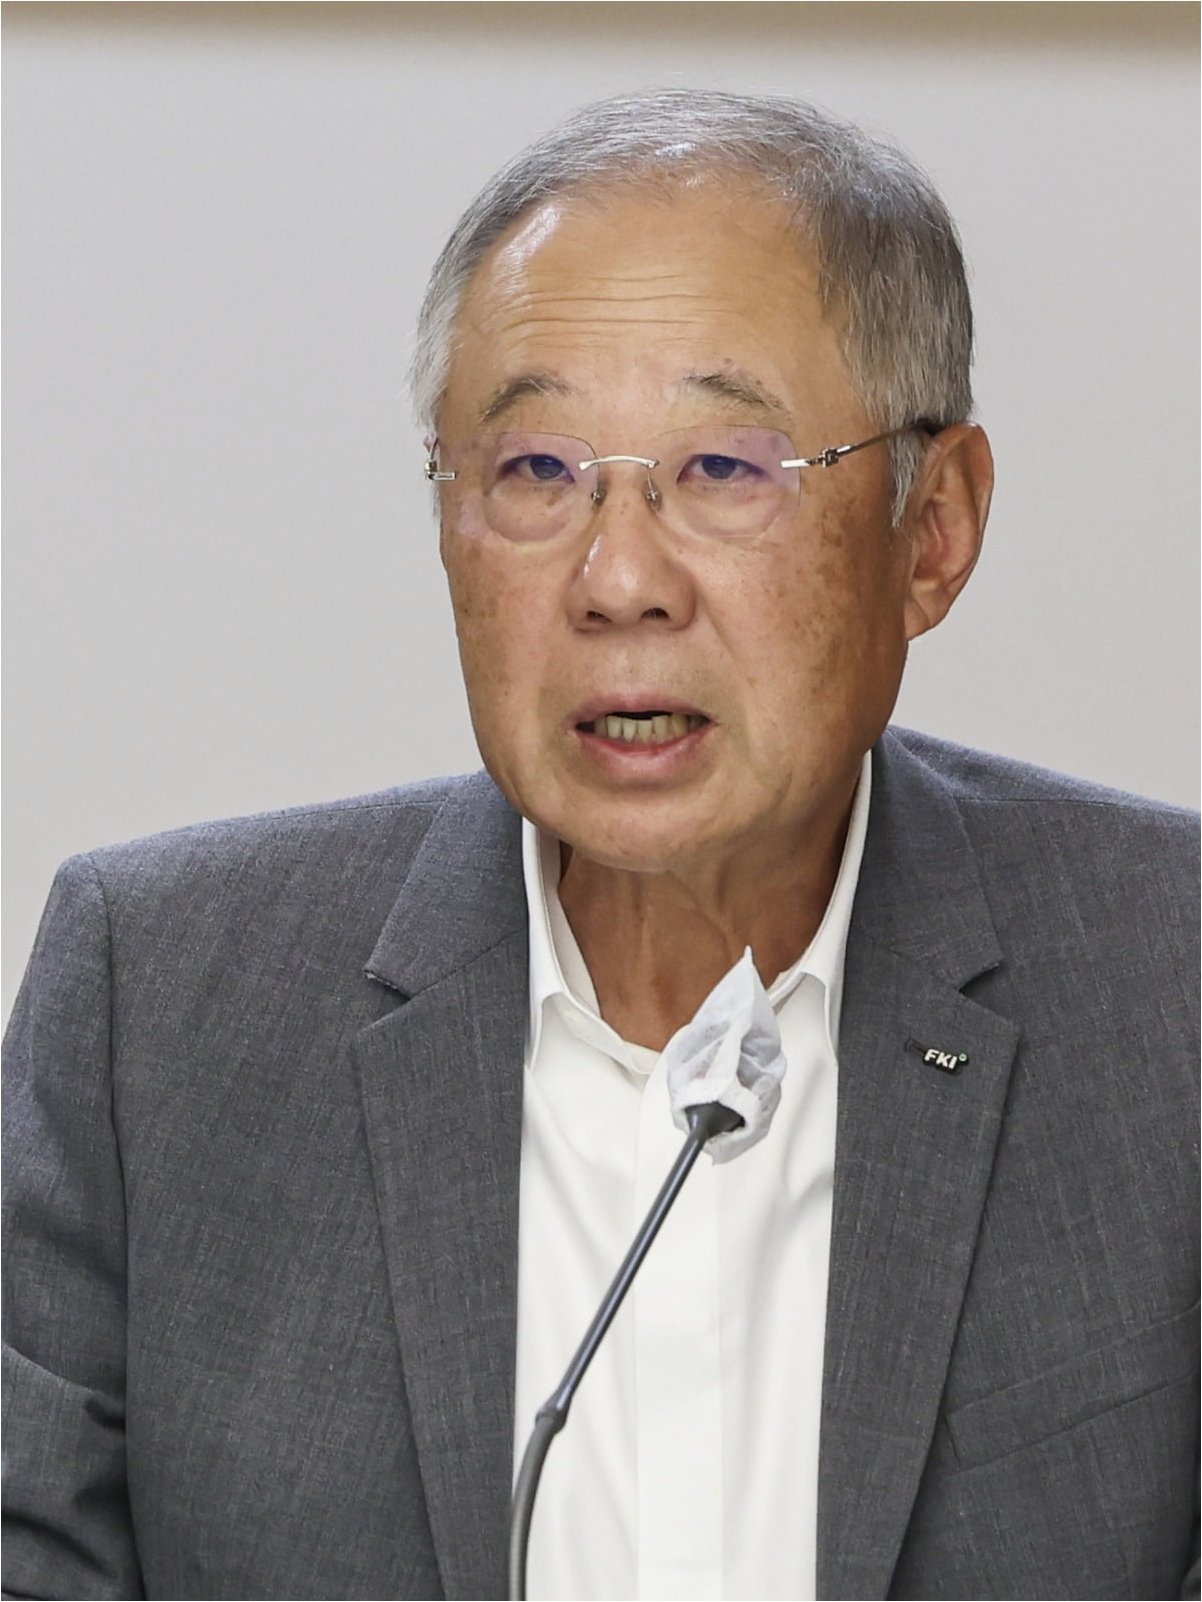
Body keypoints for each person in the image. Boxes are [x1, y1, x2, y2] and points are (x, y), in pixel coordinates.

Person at [3, 88, 1197, 1602]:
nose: (618, 577)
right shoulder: (158, 1008)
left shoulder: (1173, 989)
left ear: (933, 529)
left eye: (725, 469)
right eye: (536, 472)